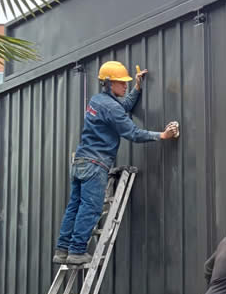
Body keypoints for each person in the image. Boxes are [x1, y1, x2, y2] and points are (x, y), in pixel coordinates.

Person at [54, 61, 179, 264]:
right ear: (109, 83)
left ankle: (62, 249)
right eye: (122, 83)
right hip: (96, 164)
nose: (125, 86)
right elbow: (133, 133)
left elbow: (124, 106)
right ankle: (76, 251)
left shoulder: (97, 101)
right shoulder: (111, 108)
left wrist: (138, 88)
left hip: (80, 161)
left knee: (74, 206)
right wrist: (162, 135)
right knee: (91, 208)